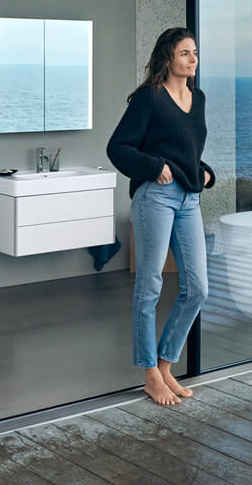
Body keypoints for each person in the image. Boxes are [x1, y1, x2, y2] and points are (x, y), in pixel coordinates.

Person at [106, 27, 215, 406]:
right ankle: (150, 373)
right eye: (185, 53)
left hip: (189, 198)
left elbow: (187, 149)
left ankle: (166, 363)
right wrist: (154, 167)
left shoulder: (197, 98)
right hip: (156, 196)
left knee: (197, 287)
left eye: (195, 53)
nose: (193, 59)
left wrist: (205, 171)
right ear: (167, 57)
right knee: (150, 286)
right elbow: (117, 148)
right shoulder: (148, 99)